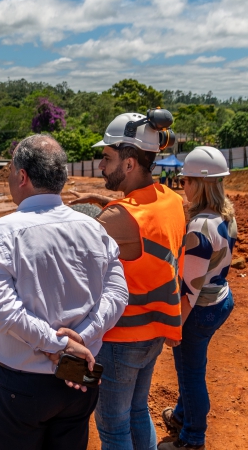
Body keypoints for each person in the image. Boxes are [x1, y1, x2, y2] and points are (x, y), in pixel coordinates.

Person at [0, 134, 129, 450]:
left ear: (22, 176)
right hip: (80, 377)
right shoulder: (94, 229)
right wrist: (81, 338)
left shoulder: (2, 232)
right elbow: (117, 293)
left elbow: (5, 310)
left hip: (24, 384)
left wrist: (57, 345)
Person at [70, 111, 187, 450]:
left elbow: (77, 263)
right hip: (154, 331)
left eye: (107, 158)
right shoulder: (170, 200)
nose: (101, 166)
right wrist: (97, 200)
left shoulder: (116, 218)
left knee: (112, 425)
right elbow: (136, 211)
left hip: (120, 339)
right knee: (137, 410)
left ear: (130, 162)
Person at [159, 146, 236, 450]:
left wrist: (176, 327)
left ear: (199, 183)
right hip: (220, 298)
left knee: (190, 375)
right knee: (194, 366)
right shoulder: (225, 214)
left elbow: (190, 289)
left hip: (200, 307)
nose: (183, 186)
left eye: (185, 181)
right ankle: (181, 415)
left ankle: (192, 439)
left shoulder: (200, 226)